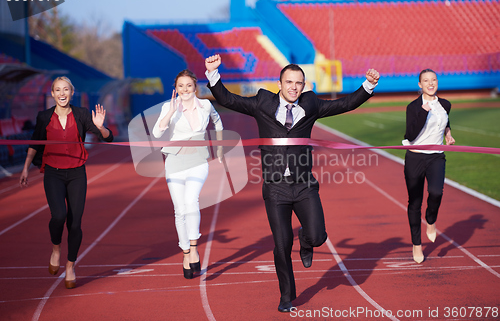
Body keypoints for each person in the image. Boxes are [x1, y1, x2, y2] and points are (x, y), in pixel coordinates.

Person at [204, 54, 380, 312]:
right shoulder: (262, 102)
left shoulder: (311, 104)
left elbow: (344, 104)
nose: (294, 87)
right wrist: (212, 74)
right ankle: (286, 295)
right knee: (282, 245)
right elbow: (228, 99)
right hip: (275, 188)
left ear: (303, 85)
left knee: (318, 235)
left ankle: (306, 241)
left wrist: (367, 86)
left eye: (298, 83)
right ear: (280, 83)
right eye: (289, 82)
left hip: (304, 184)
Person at [19, 76, 114, 289]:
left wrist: (100, 127)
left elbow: (108, 138)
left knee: (75, 223)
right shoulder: (44, 117)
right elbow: (35, 142)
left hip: (77, 174)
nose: (62, 94)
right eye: (58, 90)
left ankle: (70, 265)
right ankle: (55, 248)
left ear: (72, 93)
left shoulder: (81, 114)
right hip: (53, 173)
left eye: (66, 90)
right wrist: (25, 167)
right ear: (52, 94)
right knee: (58, 216)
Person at [152, 69, 223, 279]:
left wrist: (219, 148)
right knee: (179, 209)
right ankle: (185, 252)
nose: (185, 89)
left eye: (188, 85)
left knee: (191, 201)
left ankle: (193, 247)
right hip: (174, 161)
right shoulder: (168, 106)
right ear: (176, 88)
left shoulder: (206, 105)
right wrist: (171, 112)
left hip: (198, 160)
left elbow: (218, 121)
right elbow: (157, 133)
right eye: (180, 86)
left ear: (195, 87)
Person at [403, 69, 455, 264]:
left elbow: (445, 121)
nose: (430, 83)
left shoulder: (445, 104)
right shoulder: (413, 107)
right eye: (426, 81)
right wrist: (424, 113)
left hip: (436, 157)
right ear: (420, 85)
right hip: (415, 159)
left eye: (433, 80)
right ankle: (417, 244)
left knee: (436, 193)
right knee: (414, 203)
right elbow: (410, 135)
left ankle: (431, 220)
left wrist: (448, 134)